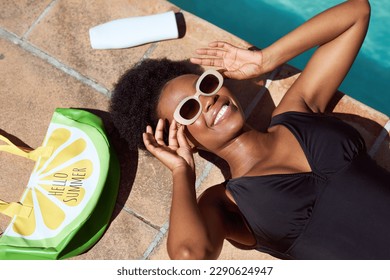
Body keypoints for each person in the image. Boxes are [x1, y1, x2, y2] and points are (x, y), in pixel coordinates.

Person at [110, 0, 390, 259]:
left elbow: (357, 13)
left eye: (205, 85)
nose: (208, 100)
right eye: (189, 109)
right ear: (182, 138)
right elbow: (189, 258)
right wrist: (182, 172)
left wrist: (265, 60)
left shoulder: (296, 111)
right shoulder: (225, 203)